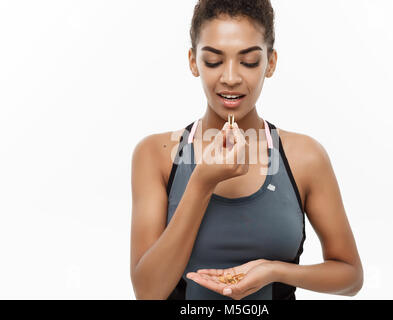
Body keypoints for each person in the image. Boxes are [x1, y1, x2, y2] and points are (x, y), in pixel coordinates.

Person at [130, 0, 363, 300]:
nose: (230, 77)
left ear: (271, 63)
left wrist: (275, 271)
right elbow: (148, 292)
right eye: (213, 61)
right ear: (192, 61)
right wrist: (202, 183)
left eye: (249, 61)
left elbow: (350, 276)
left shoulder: (305, 157)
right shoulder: (156, 154)